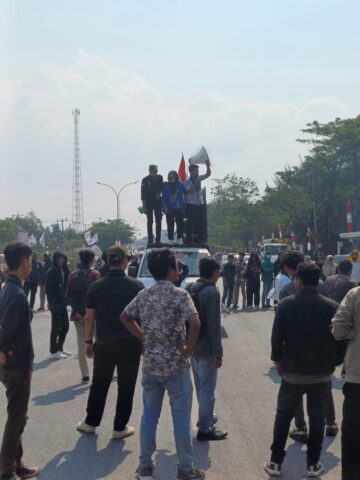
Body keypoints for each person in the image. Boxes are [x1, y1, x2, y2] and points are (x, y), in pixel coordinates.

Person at [120, 248, 205, 480]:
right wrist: (188, 348)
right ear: (169, 269)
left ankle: (145, 466)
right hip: (176, 366)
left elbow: (125, 316)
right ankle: (185, 469)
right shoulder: (180, 295)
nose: (178, 269)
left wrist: (144, 337)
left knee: (149, 416)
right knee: (181, 419)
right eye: (176, 266)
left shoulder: (144, 295)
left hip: (151, 364)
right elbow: (195, 323)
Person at [265, 263, 339, 478]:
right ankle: (313, 464)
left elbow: (276, 337)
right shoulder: (332, 306)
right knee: (317, 420)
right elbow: (342, 337)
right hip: (322, 373)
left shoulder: (286, 305)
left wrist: (278, 361)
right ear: (318, 280)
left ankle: (275, 462)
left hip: (293, 373)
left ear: (298, 279)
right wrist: (335, 360)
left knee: (283, 416)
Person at [77, 245, 144, 439]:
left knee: (99, 383)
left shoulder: (96, 286)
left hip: (105, 341)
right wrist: (143, 340)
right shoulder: (136, 285)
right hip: (130, 342)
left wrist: (88, 342)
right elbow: (142, 316)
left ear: (107, 261)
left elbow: (89, 318)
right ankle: (119, 427)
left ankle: (90, 423)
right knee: (127, 384)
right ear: (124, 262)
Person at [0, 243, 40, 480]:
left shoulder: (9, 288)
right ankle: (7, 470)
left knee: (18, 414)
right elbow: (6, 332)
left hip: (12, 364)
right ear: (24, 262)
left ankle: (16, 463)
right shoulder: (14, 293)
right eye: (31, 261)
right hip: (17, 365)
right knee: (16, 418)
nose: (32, 265)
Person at [188, 258, 227, 441]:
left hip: (192, 345)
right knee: (207, 390)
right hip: (206, 347)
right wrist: (218, 352)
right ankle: (205, 428)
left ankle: (206, 417)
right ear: (213, 272)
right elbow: (213, 324)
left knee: (199, 386)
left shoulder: (190, 287)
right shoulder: (212, 292)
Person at [332, 286, 360, 480]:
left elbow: (338, 329)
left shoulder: (356, 294)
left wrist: (354, 336)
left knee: (352, 437)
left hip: (357, 376)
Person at [66, 249, 100, 384]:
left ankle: (85, 374)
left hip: (78, 315)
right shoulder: (95, 274)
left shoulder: (72, 275)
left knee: (81, 343)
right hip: (94, 314)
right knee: (99, 341)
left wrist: (78, 311)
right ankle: (100, 370)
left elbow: (68, 296)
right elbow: (98, 295)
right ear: (91, 260)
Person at [46, 251, 71, 359]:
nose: (62, 260)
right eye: (59, 258)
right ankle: (53, 350)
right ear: (55, 259)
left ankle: (60, 347)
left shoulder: (64, 270)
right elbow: (49, 290)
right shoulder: (51, 271)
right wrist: (53, 306)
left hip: (63, 303)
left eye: (63, 258)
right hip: (55, 303)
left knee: (65, 327)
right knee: (56, 328)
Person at [183, 161, 211, 245]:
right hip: (190, 205)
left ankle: (200, 240)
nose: (197, 172)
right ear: (191, 172)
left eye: (197, 171)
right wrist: (196, 184)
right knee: (190, 222)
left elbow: (207, 174)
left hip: (199, 204)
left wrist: (207, 166)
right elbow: (188, 192)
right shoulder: (186, 182)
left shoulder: (199, 178)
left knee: (200, 223)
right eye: (196, 170)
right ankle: (188, 240)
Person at [162, 171, 186, 245]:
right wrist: (164, 206)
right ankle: (170, 239)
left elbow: (185, 194)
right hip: (169, 208)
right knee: (170, 224)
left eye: (172, 177)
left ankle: (180, 238)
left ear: (176, 177)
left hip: (179, 207)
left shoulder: (180, 185)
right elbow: (163, 197)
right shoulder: (165, 186)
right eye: (169, 177)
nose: (171, 179)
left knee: (180, 223)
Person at [141, 164, 163, 245]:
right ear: (149, 171)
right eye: (153, 171)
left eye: (156, 171)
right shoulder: (145, 180)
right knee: (150, 221)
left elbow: (161, 187)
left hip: (157, 202)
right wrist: (144, 207)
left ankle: (158, 239)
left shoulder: (159, 177)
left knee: (159, 220)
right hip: (148, 202)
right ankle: (150, 238)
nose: (154, 172)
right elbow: (143, 195)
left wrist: (159, 193)